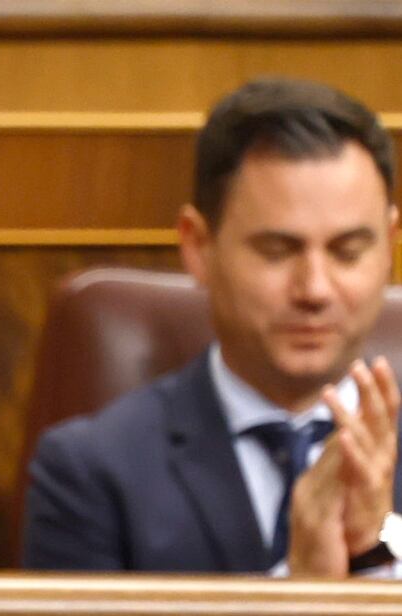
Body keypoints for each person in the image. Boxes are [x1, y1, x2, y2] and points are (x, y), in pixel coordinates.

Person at [23, 77, 402, 577]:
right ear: (199, 246)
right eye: (277, 251)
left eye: (348, 252)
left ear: (391, 244)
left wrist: (381, 551)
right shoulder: (90, 473)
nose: (315, 289)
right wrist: (301, 590)